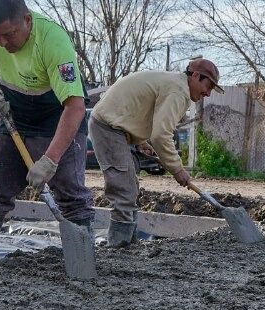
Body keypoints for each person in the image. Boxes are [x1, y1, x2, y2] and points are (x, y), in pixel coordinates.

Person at [0, 0, 94, 264]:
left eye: (9, 34)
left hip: (56, 117)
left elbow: (75, 107)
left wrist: (50, 160)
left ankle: (83, 267)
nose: (2, 42)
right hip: (15, 115)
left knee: (72, 196)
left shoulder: (53, 41)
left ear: (27, 20)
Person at [89, 59, 224, 247]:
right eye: (207, 85)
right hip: (108, 126)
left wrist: (140, 140)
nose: (207, 93)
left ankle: (127, 242)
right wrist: (177, 169)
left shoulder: (174, 84)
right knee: (123, 188)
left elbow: (141, 109)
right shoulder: (178, 91)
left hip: (114, 125)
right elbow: (161, 135)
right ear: (194, 75)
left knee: (130, 186)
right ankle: (119, 246)